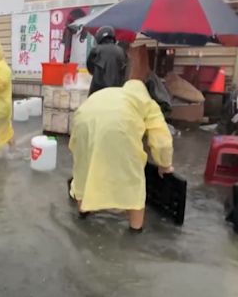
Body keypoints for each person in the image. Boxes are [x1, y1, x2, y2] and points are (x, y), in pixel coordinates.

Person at [69, 45, 174, 232]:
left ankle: (83, 213)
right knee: (134, 182)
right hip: (117, 126)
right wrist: (164, 165)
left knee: (85, 170)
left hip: (83, 119)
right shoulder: (146, 102)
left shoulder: (112, 93)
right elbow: (162, 140)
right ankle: (135, 229)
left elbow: (77, 138)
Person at [87, 26, 127, 96]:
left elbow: (90, 68)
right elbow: (125, 70)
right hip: (117, 91)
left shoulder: (96, 50)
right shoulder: (121, 51)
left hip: (98, 91)